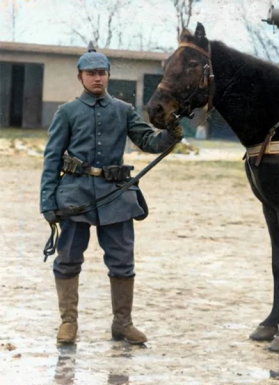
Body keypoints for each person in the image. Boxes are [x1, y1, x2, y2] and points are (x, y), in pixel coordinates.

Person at [40, 42, 183, 345]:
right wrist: (48, 202)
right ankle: (68, 322)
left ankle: (122, 323)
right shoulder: (66, 112)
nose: (98, 79)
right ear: (80, 76)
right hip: (75, 195)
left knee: (122, 261)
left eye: (103, 73)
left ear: (108, 76)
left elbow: (149, 142)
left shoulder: (123, 110)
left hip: (116, 196)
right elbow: (52, 158)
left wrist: (170, 133)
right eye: (92, 73)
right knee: (67, 259)